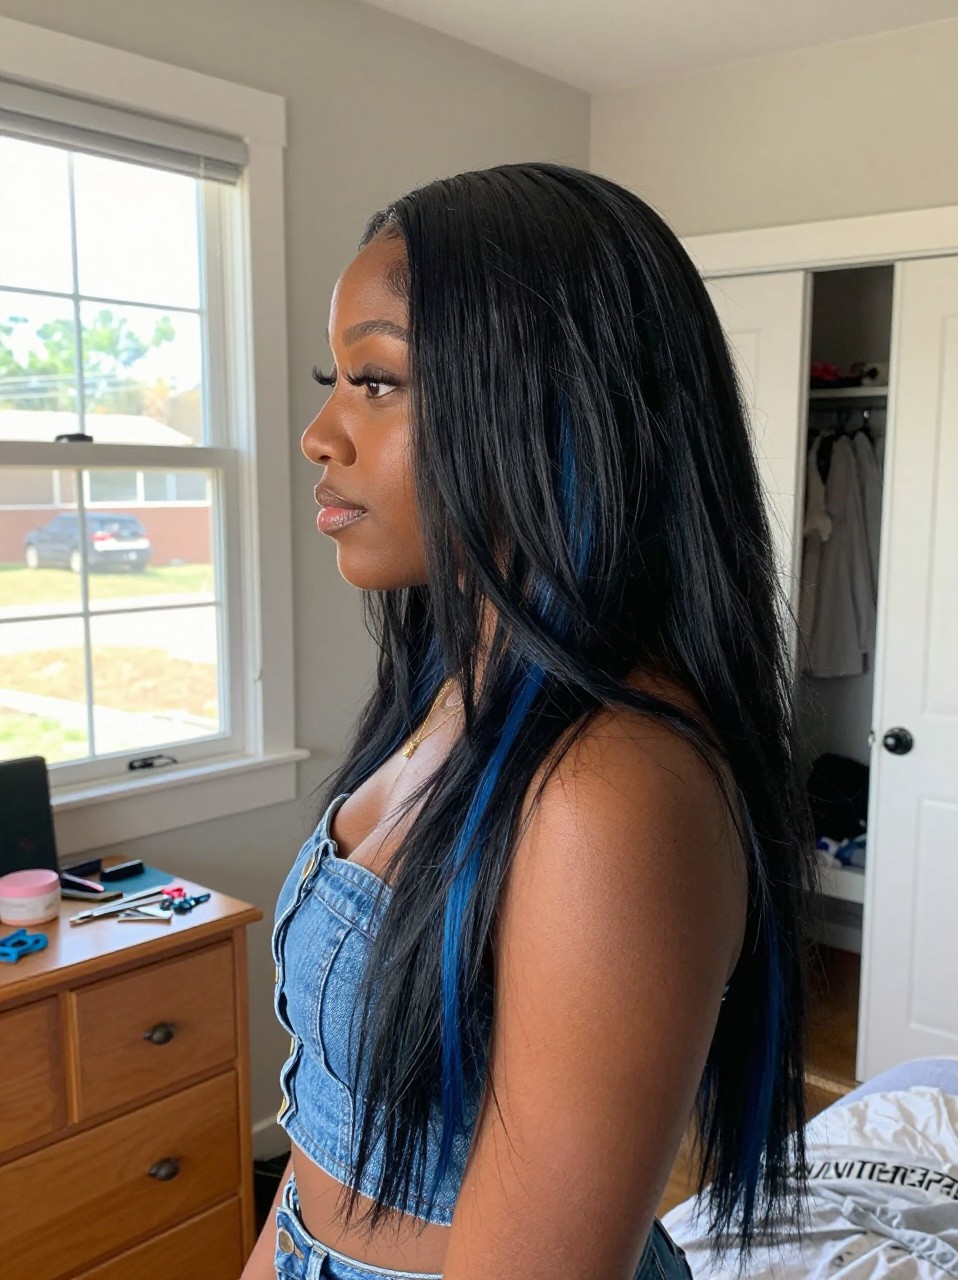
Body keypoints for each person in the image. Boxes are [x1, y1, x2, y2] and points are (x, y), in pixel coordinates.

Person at [241, 162, 819, 1280]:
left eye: (375, 380)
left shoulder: (610, 788)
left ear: (550, 399)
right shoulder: (447, 692)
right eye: (336, 377)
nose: (320, 433)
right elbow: (319, 1141)